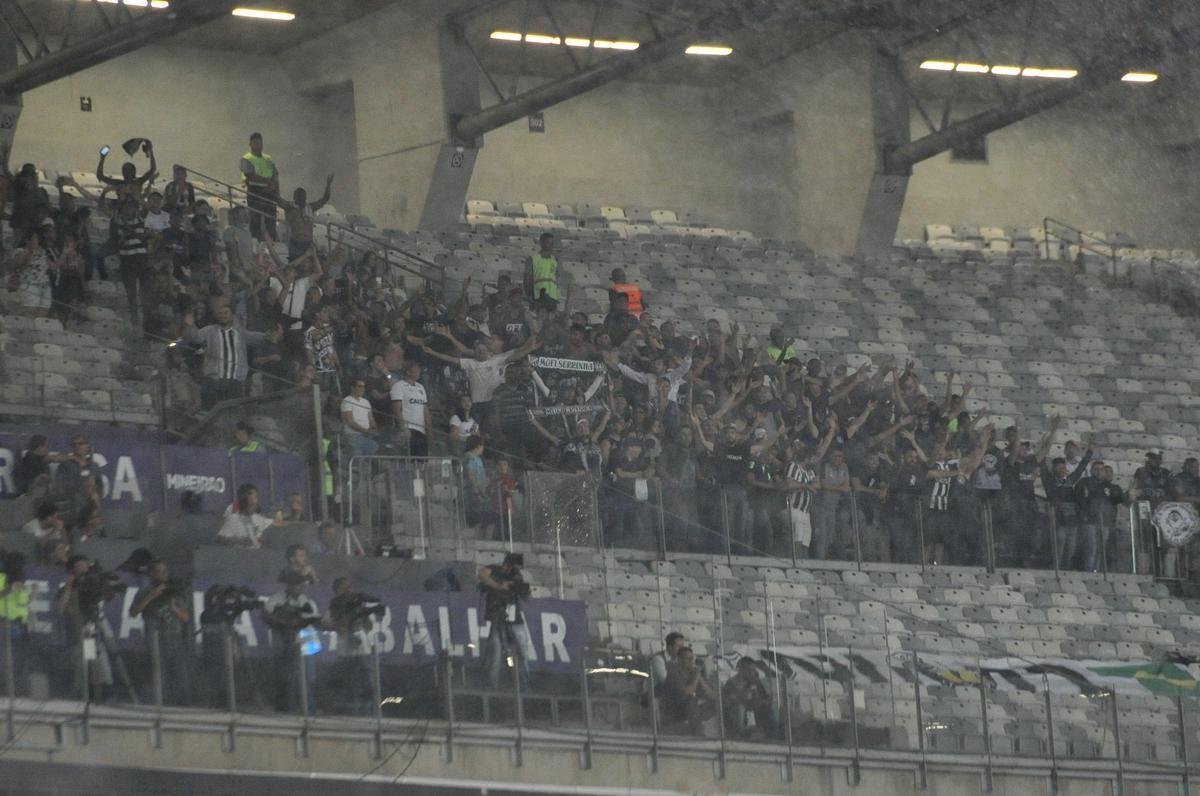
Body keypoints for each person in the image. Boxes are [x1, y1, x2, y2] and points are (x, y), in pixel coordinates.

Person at [129, 559, 191, 705]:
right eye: (158, 572)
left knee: (179, 671)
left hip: (174, 636)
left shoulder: (175, 591)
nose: (162, 575)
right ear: (151, 574)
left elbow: (186, 617)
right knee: (158, 670)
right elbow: (133, 612)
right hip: (155, 637)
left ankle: (180, 702)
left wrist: (174, 608)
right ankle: (157, 701)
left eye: (165, 572)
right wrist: (152, 596)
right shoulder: (144, 591)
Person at [181, 304, 267, 409]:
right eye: (220, 313)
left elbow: (257, 337)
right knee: (210, 412)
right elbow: (193, 337)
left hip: (235, 382)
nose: (223, 315)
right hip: (213, 380)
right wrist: (190, 325)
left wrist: (269, 335)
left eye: (226, 313)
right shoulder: (209, 330)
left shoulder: (240, 333)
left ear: (232, 315)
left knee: (233, 413)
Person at [263, 569, 321, 714]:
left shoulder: (307, 602)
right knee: (285, 681)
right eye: (297, 585)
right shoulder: (277, 599)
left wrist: (300, 621)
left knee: (308, 681)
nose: (300, 588)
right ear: (288, 586)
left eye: (302, 585)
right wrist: (283, 621)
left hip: (306, 647)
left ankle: (310, 712)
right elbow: (266, 615)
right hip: (284, 646)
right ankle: (284, 712)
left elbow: (315, 622)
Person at [478, 553, 532, 690]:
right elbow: (482, 575)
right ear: (507, 564)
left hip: (515, 618)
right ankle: (492, 688)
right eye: (514, 567)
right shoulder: (495, 571)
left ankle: (525, 688)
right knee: (495, 655)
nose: (516, 569)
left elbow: (526, 595)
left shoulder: (516, 576)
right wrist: (499, 586)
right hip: (498, 616)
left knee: (523, 654)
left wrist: (519, 587)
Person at [327, 576, 375, 715]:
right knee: (350, 681)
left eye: (350, 587)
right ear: (337, 591)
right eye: (345, 588)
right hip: (346, 648)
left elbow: (369, 626)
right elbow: (330, 624)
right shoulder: (334, 605)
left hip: (363, 647)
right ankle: (353, 712)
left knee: (367, 680)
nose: (349, 590)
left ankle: (369, 712)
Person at [661, 646, 715, 734]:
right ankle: (698, 734)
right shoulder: (673, 674)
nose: (691, 661)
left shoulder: (693, 673)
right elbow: (688, 692)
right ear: (679, 659)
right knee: (691, 700)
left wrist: (700, 678)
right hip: (676, 709)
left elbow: (711, 694)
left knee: (716, 702)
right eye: (687, 658)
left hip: (692, 709)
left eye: (691, 658)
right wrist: (697, 675)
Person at [280, 174, 333, 261]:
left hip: (308, 242)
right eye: (299, 196)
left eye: (303, 196)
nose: (301, 198)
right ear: (294, 197)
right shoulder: (290, 207)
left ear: (306, 197)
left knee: (311, 266)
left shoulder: (310, 207)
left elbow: (325, 199)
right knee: (295, 266)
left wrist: (328, 185)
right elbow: (278, 200)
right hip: (295, 243)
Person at [722, 657, 777, 740]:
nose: (753, 672)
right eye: (749, 670)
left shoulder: (753, 681)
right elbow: (738, 701)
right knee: (740, 709)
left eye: (753, 670)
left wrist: (757, 685)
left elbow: (759, 702)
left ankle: (771, 736)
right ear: (741, 670)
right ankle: (739, 736)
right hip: (734, 717)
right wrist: (751, 687)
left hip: (751, 714)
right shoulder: (732, 683)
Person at [240, 132, 280, 240]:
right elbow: (250, 175)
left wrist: (273, 185)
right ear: (250, 144)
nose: (257, 145)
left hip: (270, 192)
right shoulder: (246, 158)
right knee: (256, 219)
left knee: (271, 220)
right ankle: (256, 241)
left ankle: (272, 242)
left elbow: (275, 173)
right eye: (255, 142)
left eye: (259, 142)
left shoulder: (268, 158)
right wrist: (268, 182)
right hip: (255, 191)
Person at [390, 361, 431, 457]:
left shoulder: (421, 387)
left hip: (422, 430)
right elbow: (397, 409)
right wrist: (403, 427)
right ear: (408, 372)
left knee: (421, 460)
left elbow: (425, 410)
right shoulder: (399, 386)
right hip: (408, 429)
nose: (419, 372)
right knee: (408, 458)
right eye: (416, 370)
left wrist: (429, 428)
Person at [340, 378, 379, 459]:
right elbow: (350, 422)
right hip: (353, 435)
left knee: (375, 453)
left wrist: (373, 429)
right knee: (357, 459)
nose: (362, 389)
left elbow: (371, 419)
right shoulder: (347, 400)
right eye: (359, 386)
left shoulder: (366, 402)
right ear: (352, 387)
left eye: (364, 387)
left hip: (367, 436)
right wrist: (366, 431)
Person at [524, 232, 560, 306]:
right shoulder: (532, 259)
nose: (551, 245)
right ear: (541, 242)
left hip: (552, 297)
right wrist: (529, 295)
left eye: (552, 243)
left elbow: (554, 279)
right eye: (548, 242)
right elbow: (527, 279)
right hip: (538, 297)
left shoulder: (554, 260)